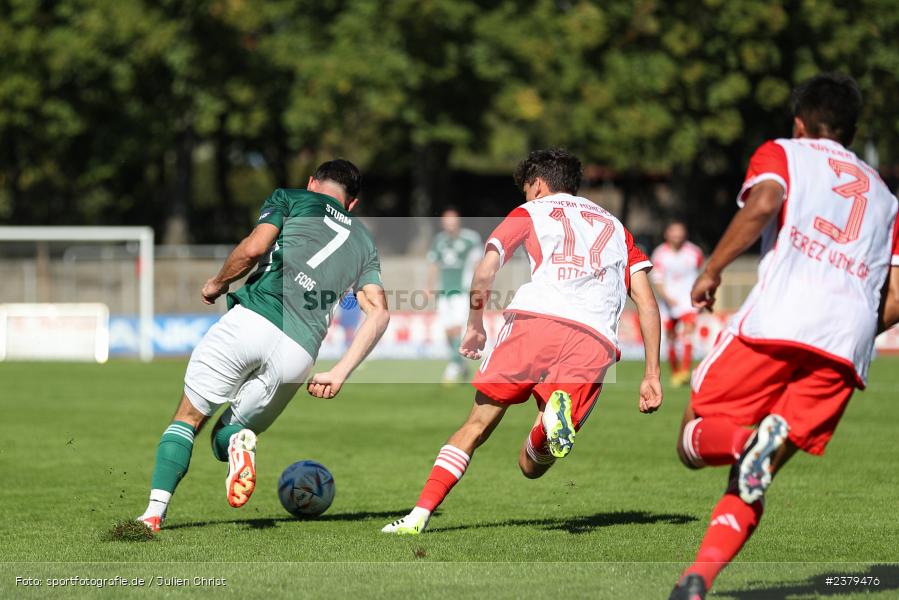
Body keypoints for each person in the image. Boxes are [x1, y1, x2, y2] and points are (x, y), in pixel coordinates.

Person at [669, 74, 899, 599]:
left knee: (693, 436)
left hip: (778, 320)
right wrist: (856, 330)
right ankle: (696, 580)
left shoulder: (784, 152)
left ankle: (742, 443)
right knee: (757, 473)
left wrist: (713, 269)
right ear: (853, 129)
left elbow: (765, 203)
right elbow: (898, 296)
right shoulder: (886, 198)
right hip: (844, 346)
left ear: (799, 122)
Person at [382, 148, 663, 535]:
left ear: (539, 185)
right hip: (595, 337)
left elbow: (485, 271)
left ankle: (418, 516)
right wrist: (652, 372)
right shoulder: (617, 228)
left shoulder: (530, 212)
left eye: (526, 189)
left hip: (535, 320)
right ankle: (547, 423)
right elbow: (647, 302)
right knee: (531, 465)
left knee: (477, 424)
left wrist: (475, 324)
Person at [136, 160, 390, 532]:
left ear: (311, 183)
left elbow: (254, 248)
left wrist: (217, 282)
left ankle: (153, 514)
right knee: (226, 441)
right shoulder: (365, 242)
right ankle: (240, 440)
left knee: (188, 419)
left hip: (253, 320)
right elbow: (379, 314)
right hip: (299, 353)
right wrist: (340, 372)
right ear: (352, 204)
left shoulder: (291, 198)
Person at [426, 207, 483, 384]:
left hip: (463, 291)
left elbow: (476, 263)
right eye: (446, 221)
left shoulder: (470, 239)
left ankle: (453, 367)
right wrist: (429, 287)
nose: (449, 225)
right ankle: (462, 366)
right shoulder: (439, 240)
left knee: (458, 328)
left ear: (458, 221)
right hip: (444, 292)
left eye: (452, 221)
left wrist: (478, 287)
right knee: (448, 331)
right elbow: (434, 265)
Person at [651, 221, 704, 386]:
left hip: (687, 301)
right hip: (668, 301)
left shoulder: (694, 252)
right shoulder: (659, 254)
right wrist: (667, 297)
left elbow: (700, 275)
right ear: (667, 234)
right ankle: (675, 372)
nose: (677, 236)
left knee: (688, 334)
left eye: (680, 232)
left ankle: (684, 372)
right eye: (674, 232)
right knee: (671, 337)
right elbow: (657, 281)